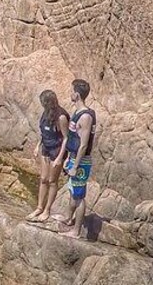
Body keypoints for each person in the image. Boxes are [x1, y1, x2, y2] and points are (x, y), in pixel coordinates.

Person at [58, 79, 97, 239]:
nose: (70, 93)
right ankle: (68, 218)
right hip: (74, 157)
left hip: (82, 162)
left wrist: (76, 165)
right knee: (73, 190)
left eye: (71, 90)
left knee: (79, 196)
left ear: (77, 94)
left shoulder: (86, 117)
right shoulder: (77, 112)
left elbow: (83, 144)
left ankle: (76, 231)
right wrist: (69, 158)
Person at [26, 90, 69, 222]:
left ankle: (47, 210)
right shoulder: (46, 113)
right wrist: (38, 146)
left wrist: (60, 158)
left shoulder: (61, 117)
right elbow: (44, 133)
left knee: (52, 181)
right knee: (43, 178)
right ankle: (39, 207)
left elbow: (66, 138)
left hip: (56, 150)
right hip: (46, 147)